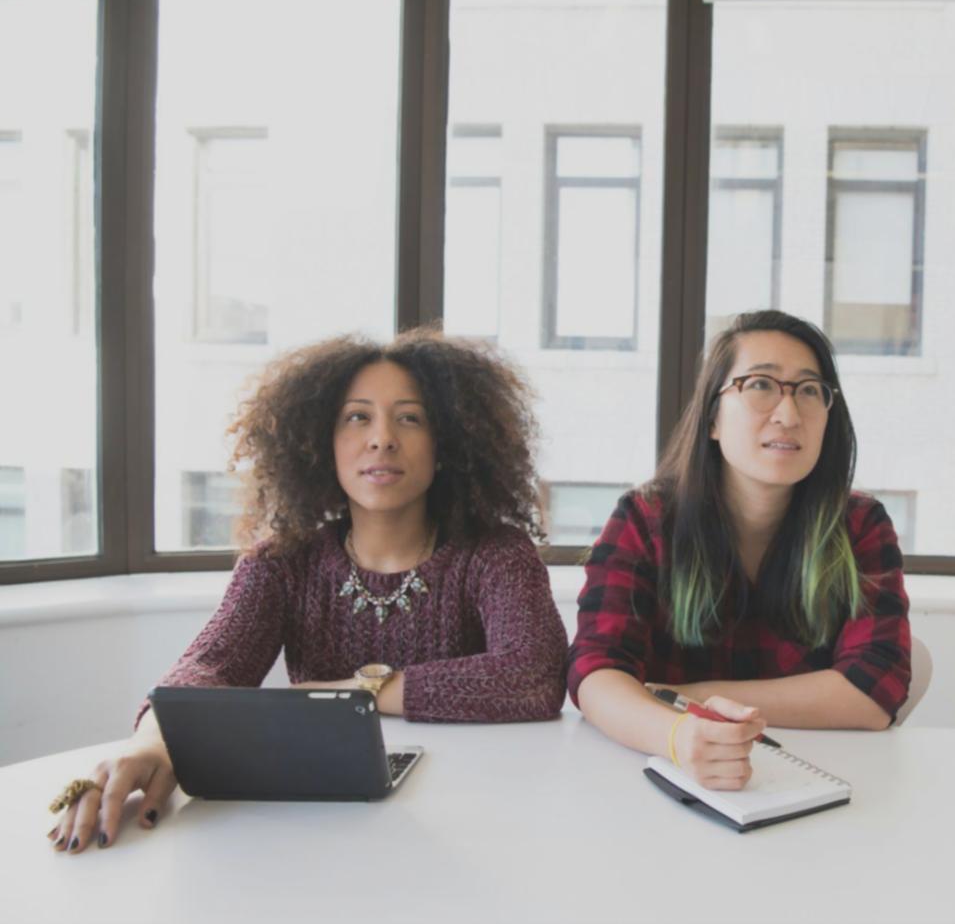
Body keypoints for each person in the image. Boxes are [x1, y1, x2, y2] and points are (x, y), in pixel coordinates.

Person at [47, 328, 568, 854]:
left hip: (472, 820)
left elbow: (535, 673)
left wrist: (353, 694)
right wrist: (151, 744)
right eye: (357, 417)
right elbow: (210, 666)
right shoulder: (282, 563)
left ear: (448, 443)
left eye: (410, 418)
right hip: (318, 825)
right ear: (321, 441)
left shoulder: (497, 553)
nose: (382, 437)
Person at [568, 310, 911, 790]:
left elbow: (874, 692)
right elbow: (596, 673)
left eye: (810, 390)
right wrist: (679, 736)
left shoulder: (858, 525)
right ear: (712, 416)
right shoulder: (645, 519)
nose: (788, 415)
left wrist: (695, 698)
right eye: (760, 385)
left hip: (811, 785)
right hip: (658, 779)